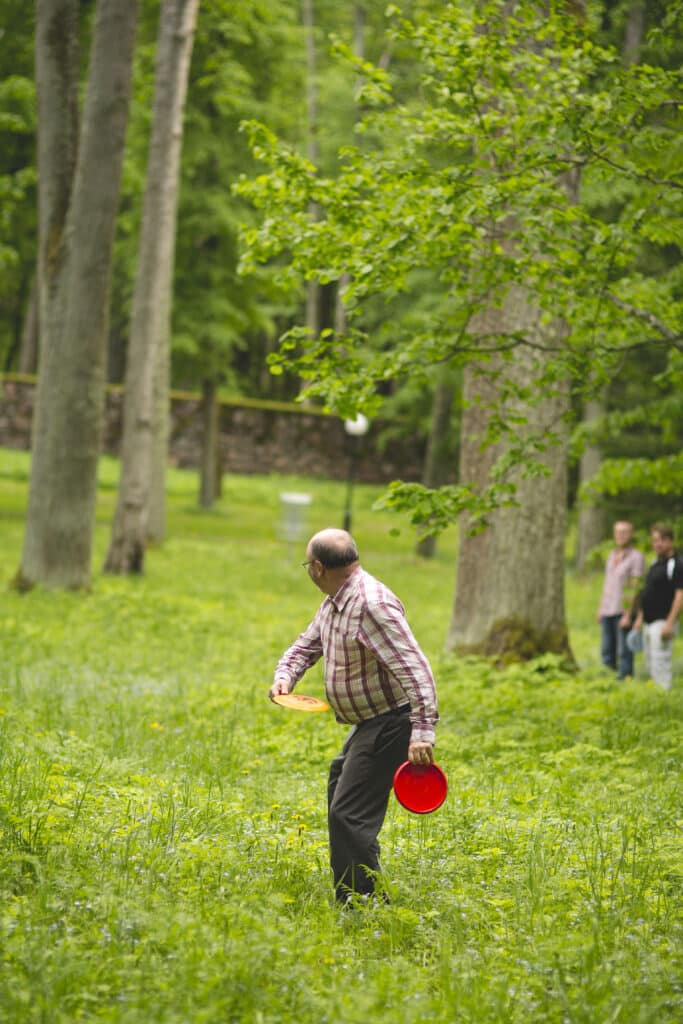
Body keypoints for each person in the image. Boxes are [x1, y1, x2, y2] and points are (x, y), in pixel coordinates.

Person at [270, 528, 438, 904]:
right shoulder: (336, 601)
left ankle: (362, 902)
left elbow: (416, 668)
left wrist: (423, 731)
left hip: (392, 720)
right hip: (370, 720)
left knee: (348, 812)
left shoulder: (371, 605)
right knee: (340, 790)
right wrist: (285, 676)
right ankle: (359, 886)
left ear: (317, 568)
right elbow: (308, 644)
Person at [631, 523, 683, 691]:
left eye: (662, 540)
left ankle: (664, 694)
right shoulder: (655, 564)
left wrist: (670, 623)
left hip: (663, 621)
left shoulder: (677, 564)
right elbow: (648, 593)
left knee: (661, 662)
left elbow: (680, 595)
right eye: (655, 540)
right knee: (650, 662)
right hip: (648, 621)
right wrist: (639, 619)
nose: (658, 544)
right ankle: (656, 693)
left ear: (671, 541)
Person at [597, 520, 646, 679]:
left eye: (624, 532)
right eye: (618, 532)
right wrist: (600, 609)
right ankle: (607, 680)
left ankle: (625, 680)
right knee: (607, 649)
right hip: (607, 609)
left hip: (623, 610)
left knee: (624, 651)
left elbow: (635, 587)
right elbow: (607, 584)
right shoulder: (612, 555)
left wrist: (628, 614)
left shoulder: (636, 557)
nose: (621, 535)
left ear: (631, 534)